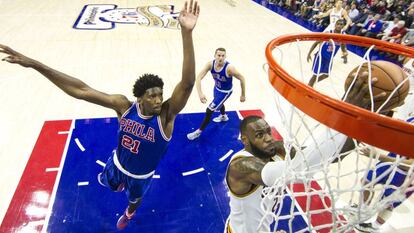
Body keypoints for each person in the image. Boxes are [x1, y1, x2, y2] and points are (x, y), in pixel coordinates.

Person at [0, 0, 200, 230]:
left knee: (135, 200)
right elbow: (81, 90)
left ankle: (129, 213)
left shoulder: (165, 115)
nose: (158, 100)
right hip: (117, 164)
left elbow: (187, 84)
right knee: (109, 183)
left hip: (141, 175)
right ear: (139, 99)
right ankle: (116, 184)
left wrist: (186, 33)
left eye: (160, 95)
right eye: (152, 96)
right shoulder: (123, 106)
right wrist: (36, 65)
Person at [224, 76, 385, 233]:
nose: (268, 138)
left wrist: (360, 121)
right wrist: (342, 116)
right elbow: (299, 170)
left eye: (268, 131)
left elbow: (330, 155)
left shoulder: (278, 149)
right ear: (245, 140)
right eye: (259, 135)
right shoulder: (242, 167)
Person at [355, 133, 414, 233]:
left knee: (389, 201)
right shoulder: (410, 119)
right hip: (390, 162)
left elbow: (410, 165)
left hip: (406, 174)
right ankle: (363, 209)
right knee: (366, 181)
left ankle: (375, 226)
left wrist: (378, 156)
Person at [186, 48, 246, 140]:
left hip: (225, 92)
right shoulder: (210, 64)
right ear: (215, 56)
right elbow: (198, 77)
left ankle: (198, 132)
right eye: (218, 55)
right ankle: (223, 116)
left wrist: (243, 94)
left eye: (223, 56)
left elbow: (242, 78)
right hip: (217, 88)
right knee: (219, 103)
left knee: (209, 111)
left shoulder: (230, 68)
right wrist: (200, 93)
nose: (220, 58)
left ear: (225, 57)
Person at [307, 19, 348, 87]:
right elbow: (316, 42)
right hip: (321, 56)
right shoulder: (328, 32)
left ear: (343, 26)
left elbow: (343, 46)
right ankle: (309, 85)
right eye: (338, 24)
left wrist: (345, 54)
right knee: (315, 74)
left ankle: (312, 83)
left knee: (326, 75)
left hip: (329, 58)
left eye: (341, 24)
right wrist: (309, 53)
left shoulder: (344, 35)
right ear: (335, 25)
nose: (339, 26)